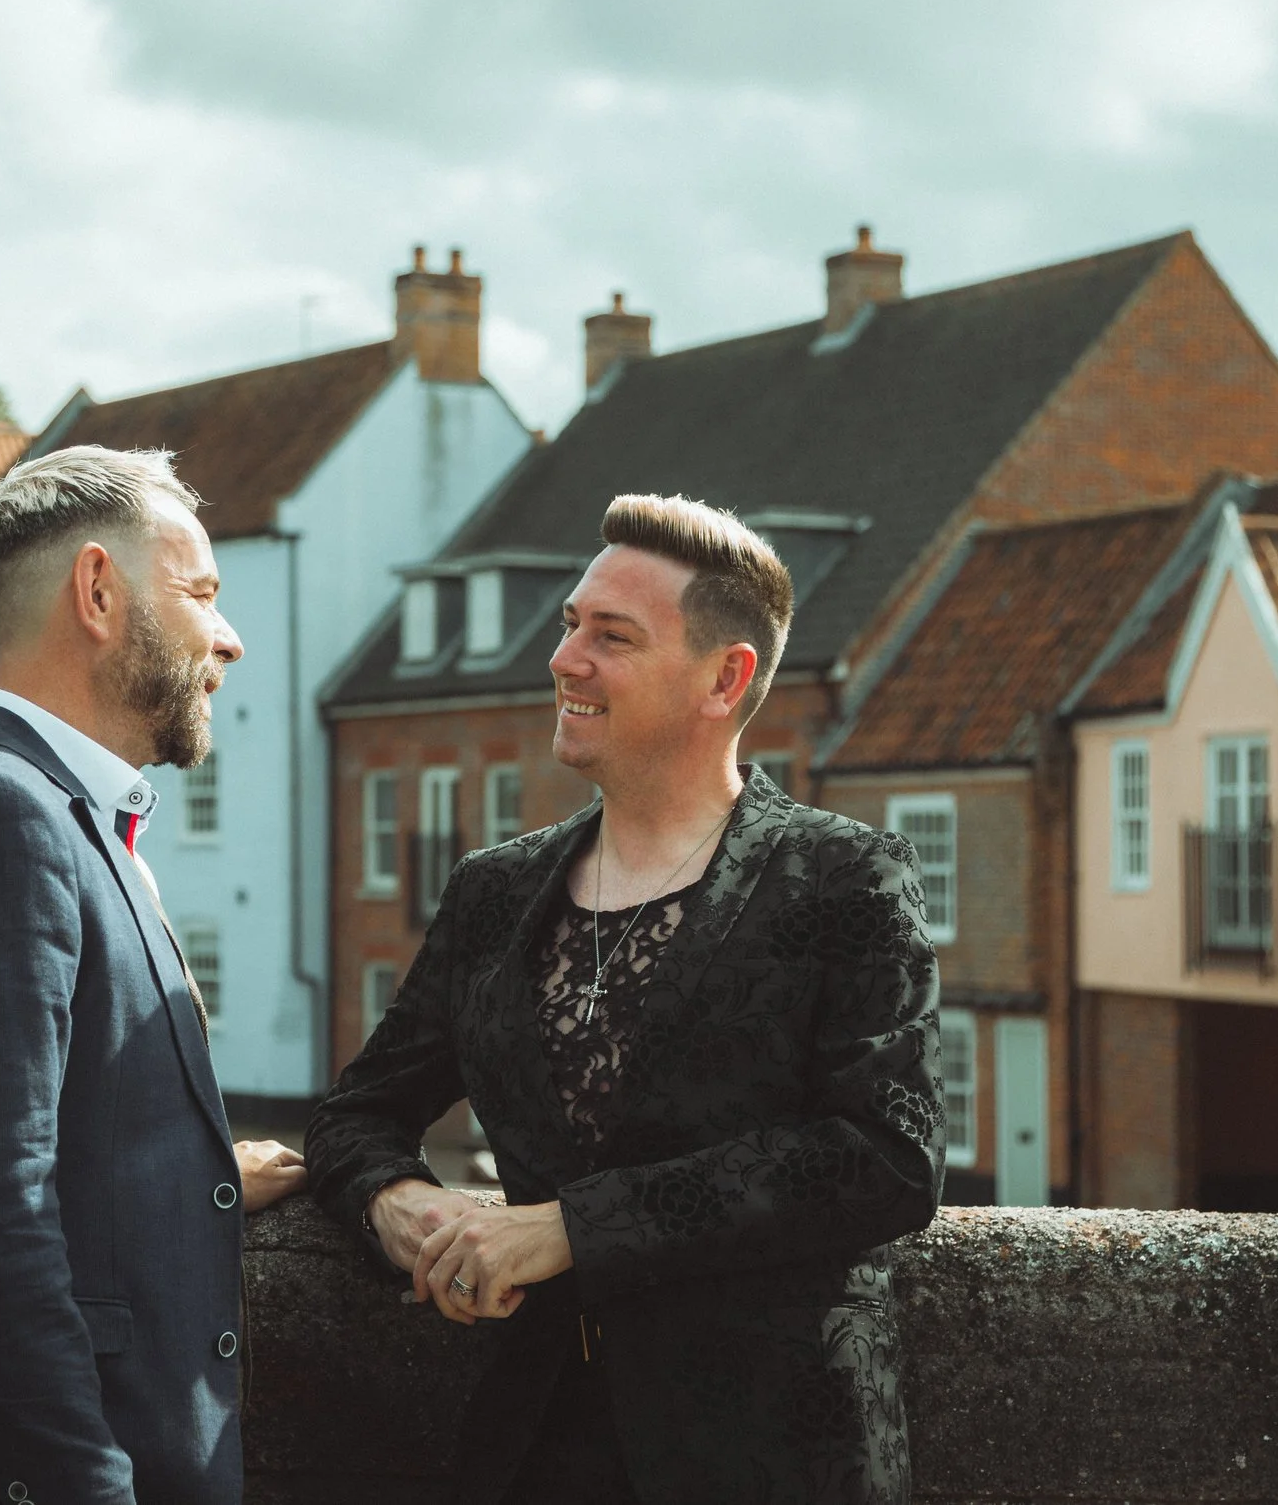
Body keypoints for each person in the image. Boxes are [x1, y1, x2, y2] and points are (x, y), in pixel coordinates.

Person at [306, 493, 943, 1504]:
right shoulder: (493, 889)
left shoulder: (842, 876)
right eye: (569, 625)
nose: (564, 659)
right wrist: (398, 1203)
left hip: (774, 1458)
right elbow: (356, 1111)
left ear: (723, 678)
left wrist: (572, 1225)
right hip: (533, 1451)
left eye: (612, 635)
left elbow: (887, 1156)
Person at [0, 446, 308, 1505]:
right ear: (96, 590)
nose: (229, 636)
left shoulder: (38, 809)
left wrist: (191, 1175)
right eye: (202, 592)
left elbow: (30, 1133)